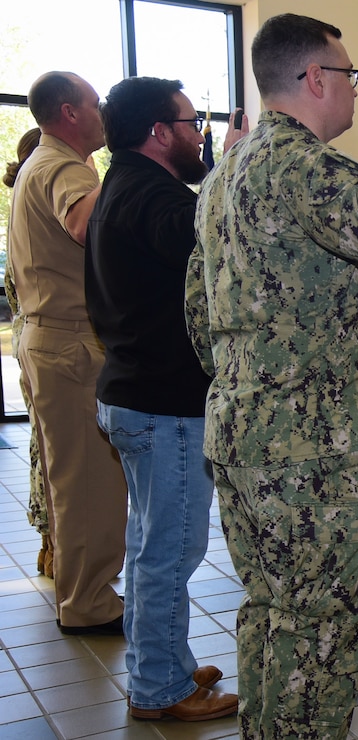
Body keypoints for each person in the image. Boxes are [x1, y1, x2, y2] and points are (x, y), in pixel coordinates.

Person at [186, 13, 358, 737]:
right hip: (311, 458)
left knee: (273, 612)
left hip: (241, 437)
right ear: (313, 80)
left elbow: (197, 308)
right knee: (329, 627)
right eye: (349, 76)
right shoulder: (300, 164)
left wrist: (255, 385)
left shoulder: (224, 176)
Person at [85, 77, 244, 722]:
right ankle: (158, 687)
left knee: (156, 544)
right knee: (168, 553)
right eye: (190, 122)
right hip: (161, 406)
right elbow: (200, 235)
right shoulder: (146, 195)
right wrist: (231, 167)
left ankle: (168, 664)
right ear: (160, 132)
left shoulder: (125, 185)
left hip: (139, 400)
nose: (198, 134)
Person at [7, 71, 128, 635]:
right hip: (70, 343)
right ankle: (89, 604)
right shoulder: (62, 166)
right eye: (95, 102)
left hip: (48, 338)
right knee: (88, 487)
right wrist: (128, 162)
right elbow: (83, 223)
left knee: (72, 480)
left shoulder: (42, 162)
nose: (103, 110)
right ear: (69, 113)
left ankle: (81, 591)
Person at [3, 126, 50, 578]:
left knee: (44, 449)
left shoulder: (19, 213)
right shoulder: (44, 210)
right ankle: (56, 545)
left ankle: (49, 545)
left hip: (26, 342)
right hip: (50, 341)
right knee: (59, 459)